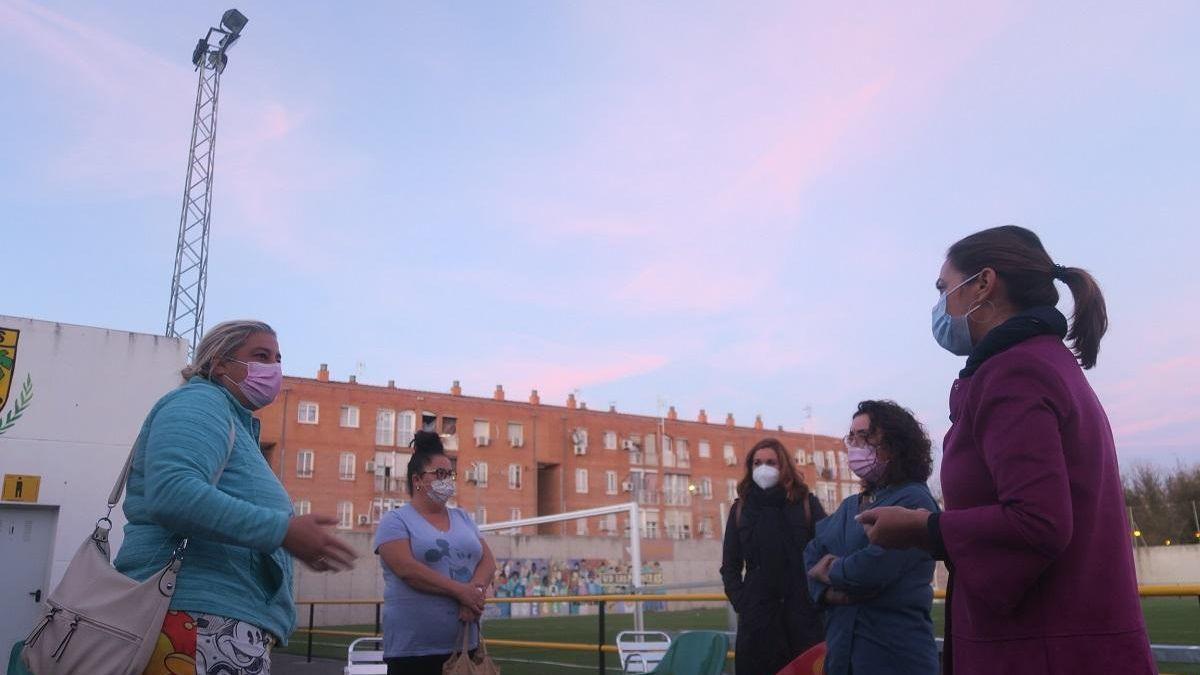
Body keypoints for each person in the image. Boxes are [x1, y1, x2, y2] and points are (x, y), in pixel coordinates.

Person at [857, 226, 1155, 674]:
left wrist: (925, 528)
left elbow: (1038, 522)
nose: (940, 305)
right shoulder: (1038, 362)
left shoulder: (1016, 372)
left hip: (1043, 650)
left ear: (983, 284)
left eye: (944, 288)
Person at [114, 320, 356, 675]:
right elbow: (173, 494)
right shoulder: (201, 402)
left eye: (277, 359)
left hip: (214, 624)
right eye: (260, 355)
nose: (272, 368)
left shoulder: (234, 422)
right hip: (192, 621)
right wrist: (283, 531)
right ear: (219, 363)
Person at [804, 400, 940, 675]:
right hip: (843, 656)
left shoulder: (913, 500)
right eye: (852, 437)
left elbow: (871, 570)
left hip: (893, 657)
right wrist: (827, 591)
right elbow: (810, 555)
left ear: (895, 443)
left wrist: (829, 569)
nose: (856, 444)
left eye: (866, 436)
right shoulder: (849, 506)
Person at [375, 431, 498, 675]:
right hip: (413, 652)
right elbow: (408, 571)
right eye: (439, 474)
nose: (447, 480)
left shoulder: (463, 517)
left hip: (465, 646)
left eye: (450, 474)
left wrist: (475, 593)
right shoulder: (395, 520)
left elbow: (488, 561)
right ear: (417, 479)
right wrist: (462, 593)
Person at [720, 438, 827, 675]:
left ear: (784, 466)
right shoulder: (740, 509)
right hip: (758, 621)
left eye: (771, 462)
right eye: (757, 463)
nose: (763, 468)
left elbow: (826, 552)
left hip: (802, 620)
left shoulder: (807, 504)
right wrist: (744, 603)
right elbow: (730, 565)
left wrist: (815, 600)